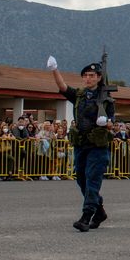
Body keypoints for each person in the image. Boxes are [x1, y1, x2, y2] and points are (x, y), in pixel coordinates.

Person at [48, 57, 115, 232]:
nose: (88, 78)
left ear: (99, 77)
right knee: (81, 179)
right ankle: (99, 211)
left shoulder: (107, 99)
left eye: (92, 75)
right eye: (85, 75)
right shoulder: (79, 96)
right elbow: (63, 88)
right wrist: (55, 69)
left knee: (92, 180)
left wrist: (105, 121)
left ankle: (87, 216)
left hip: (97, 146)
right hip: (81, 144)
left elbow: (112, 124)